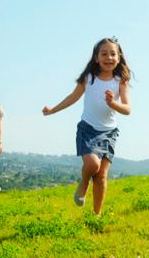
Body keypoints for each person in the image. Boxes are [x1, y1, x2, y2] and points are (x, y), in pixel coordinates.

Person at [42, 37, 132, 215]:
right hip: (88, 129)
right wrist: (52, 110)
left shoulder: (120, 81)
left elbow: (127, 109)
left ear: (119, 57)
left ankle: (96, 215)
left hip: (109, 133)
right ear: (96, 58)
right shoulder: (89, 78)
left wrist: (112, 103)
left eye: (112, 54)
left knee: (101, 176)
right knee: (92, 165)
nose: (109, 57)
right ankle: (83, 183)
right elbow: (72, 97)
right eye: (104, 54)